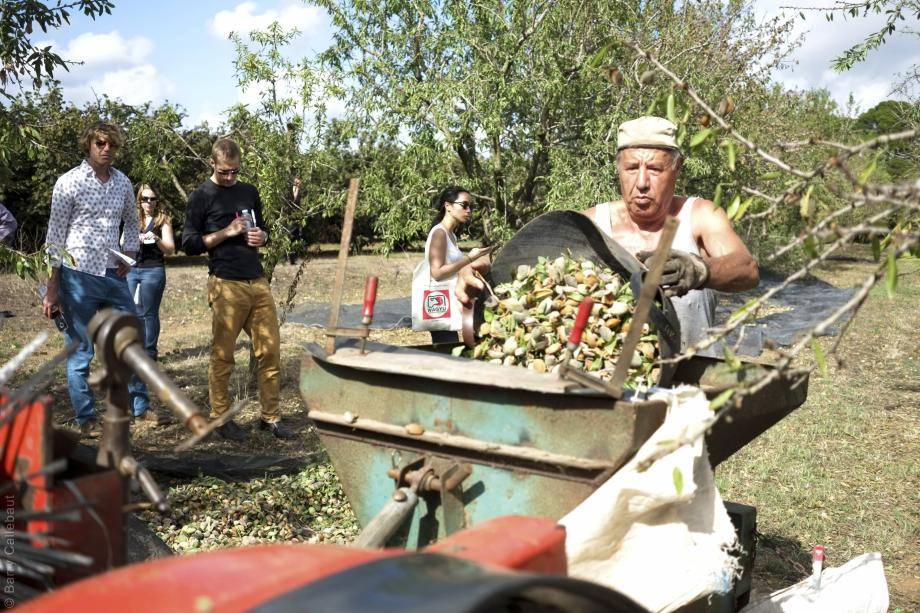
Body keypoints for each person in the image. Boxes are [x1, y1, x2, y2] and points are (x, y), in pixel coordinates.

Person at [457, 116, 759, 352]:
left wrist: (699, 269)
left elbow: (747, 268)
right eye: (631, 168)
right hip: (611, 387)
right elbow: (530, 271)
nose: (642, 182)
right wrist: (483, 270)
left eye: (655, 169)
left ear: (677, 169)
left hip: (689, 381)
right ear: (618, 168)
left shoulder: (700, 215)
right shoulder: (591, 225)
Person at [42, 121, 151, 435]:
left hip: (113, 274)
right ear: (88, 145)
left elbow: (132, 221)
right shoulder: (68, 182)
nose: (106, 149)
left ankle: (140, 409)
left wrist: (129, 254)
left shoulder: (123, 182)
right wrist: (53, 286)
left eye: (111, 145)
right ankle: (86, 418)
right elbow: (55, 237)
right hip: (78, 275)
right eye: (100, 143)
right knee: (80, 351)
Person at [182, 138, 295, 441]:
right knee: (223, 356)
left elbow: (264, 228)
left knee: (270, 352)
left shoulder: (249, 192)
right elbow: (189, 244)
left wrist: (263, 237)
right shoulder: (201, 196)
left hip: (257, 281)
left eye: (235, 171)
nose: (230, 177)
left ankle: (270, 418)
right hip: (226, 283)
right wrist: (225, 232)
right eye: (224, 172)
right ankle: (221, 418)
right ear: (212, 164)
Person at [422, 186, 491, 344]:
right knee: (447, 349)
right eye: (464, 205)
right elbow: (437, 273)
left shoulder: (450, 235)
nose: (469, 211)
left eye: (471, 207)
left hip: (448, 302)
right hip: (440, 303)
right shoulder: (439, 233)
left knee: (451, 347)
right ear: (448, 206)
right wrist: (469, 258)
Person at [126, 184, 174, 360]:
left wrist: (156, 238)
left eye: (152, 199)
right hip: (132, 269)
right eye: (145, 199)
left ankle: (150, 353)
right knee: (132, 311)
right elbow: (122, 243)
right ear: (139, 200)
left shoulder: (163, 220)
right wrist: (134, 240)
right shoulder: (131, 218)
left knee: (149, 313)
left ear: (157, 201)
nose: (149, 202)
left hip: (153, 270)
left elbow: (170, 249)